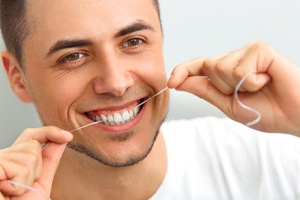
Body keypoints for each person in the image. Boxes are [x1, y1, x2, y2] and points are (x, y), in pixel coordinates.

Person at [0, 0, 299, 199]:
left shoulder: (269, 158)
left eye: (133, 41)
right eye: (73, 56)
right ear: (17, 77)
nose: (116, 83)